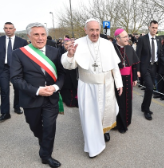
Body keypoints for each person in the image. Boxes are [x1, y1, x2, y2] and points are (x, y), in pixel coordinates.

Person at [61, 18, 123, 158]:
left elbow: (114, 66)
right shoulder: (78, 43)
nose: (94, 33)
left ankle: (103, 132)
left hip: (106, 85)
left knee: (105, 112)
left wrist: (119, 83)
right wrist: (70, 55)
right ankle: (93, 146)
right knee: (89, 116)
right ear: (85, 30)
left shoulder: (107, 44)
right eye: (91, 30)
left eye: (97, 30)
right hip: (87, 87)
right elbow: (68, 65)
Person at [11, 23, 64, 167]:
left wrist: (55, 87)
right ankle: (43, 140)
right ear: (29, 36)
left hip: (51, 98)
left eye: (43, 34)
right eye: (36, 34)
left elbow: (62, 74)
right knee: (34, 125)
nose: (40, 38)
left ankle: (46, 155)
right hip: (31, 98)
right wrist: (37, 90)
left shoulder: (55, 52)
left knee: (49, 127)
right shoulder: (18, 53)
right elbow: (16, 78)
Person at [136, 20, 164, 120]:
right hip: (145, 67)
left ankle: (144, 106)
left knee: (149, 88)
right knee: (150, 88)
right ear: (149, 27)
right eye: (153, 27)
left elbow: (161, 55)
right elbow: (138, 55)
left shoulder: (158, 39)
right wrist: (137, 70)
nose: (154, 29)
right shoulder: (142, 39)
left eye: (156, 28)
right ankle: (146, 110)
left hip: (154, 67)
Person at [0, 22, 28, 122]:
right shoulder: (0, 40)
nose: (8, 30)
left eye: (10, 28)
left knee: (18, 89)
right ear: (4, 29)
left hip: (17, 69)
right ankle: (5, 112)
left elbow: (26, 56)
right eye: (6, 28)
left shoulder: (22, 42)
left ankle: (17, 107)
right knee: (4, 90)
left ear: (14, 29)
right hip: (3, 69)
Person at [113, 29, 139, 134]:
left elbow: (135, 63)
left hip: (127, 78)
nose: (127, 38)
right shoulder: (112, 49)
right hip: (115, 79)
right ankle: (116, 122)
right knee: (117, 101)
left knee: (126, 101)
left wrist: (135, 78)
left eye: (127, 36)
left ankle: (125, 123)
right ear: (117, 38)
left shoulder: (130, 48)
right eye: (124, 37)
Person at [59, 39, 78, 107]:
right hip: (65, 73)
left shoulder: (76, 52)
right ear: (63, 45)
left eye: (69, 44)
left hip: (74, 73)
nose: (67, 46)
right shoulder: (60, 52)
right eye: (66, 44)